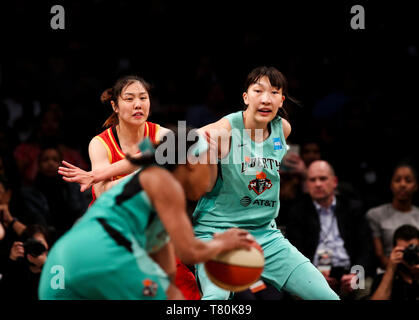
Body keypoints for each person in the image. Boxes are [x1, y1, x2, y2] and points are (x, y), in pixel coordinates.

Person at [38, 129, 254, 299]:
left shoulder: (154, 193)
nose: (211, 180)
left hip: (60, 269)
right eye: (210, 166)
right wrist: (223, 243)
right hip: (95, 260)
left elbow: (168, 273)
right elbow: (190, 252)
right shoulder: (164, 183)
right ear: (191, 162)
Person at [191, 66, 339, 300]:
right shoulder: (226, 128)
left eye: (274, 93)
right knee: (216, 299)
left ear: (281, 100)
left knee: (327, 297)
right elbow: (188, 142)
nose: (265, 99)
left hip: (265, 236)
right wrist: (199, 147)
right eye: (258, 91)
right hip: (217, 233)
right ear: (245, 97)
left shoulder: (283, 129)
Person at [60, 75, 170, 205]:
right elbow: (102, 193)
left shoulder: (162, 135)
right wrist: (146, 173)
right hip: (111, 216)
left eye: (143, 98)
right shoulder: (99, 144)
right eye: (129, 99)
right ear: (115, 106)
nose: (138, 105)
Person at [286, 160, 373, 299]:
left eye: (323, 178)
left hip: (349, 272)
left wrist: (356, 274)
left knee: (364, 287)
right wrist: (314, 275)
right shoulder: (298, 212)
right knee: (299, 291)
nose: (318, 184)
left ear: (334, 181)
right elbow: (294, 252)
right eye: (312, 180)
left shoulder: (353, 208)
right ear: (307, 185)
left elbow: (366, 248)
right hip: (312, 274)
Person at [366, 163, 419, 270]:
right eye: (398, 180)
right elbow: (379, 254)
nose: (403, 184)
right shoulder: (375, 214)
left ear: (416, 186)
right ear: (391, 184)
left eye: (408, 180)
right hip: (387, 270)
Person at [0, 224, 51, 300]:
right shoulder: (18, 268)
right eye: (33, 244)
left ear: (48, 246)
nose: (36, 248)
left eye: (39, 244)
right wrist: (12, 259)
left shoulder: (55, 266)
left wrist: (45, 265)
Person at [370, 224, 419, 300]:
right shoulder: (383, 278)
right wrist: (391, 268)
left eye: (414, 250)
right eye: (404, 251)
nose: (410, 254)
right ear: (394, 250)